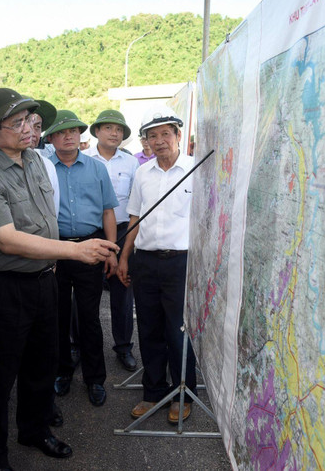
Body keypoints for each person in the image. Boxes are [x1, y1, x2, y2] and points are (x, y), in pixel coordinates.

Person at [0, 88, 118, 469]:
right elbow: (6, 240)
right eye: (18, 123)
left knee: (41, 364)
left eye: (31, 120)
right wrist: (74, 251)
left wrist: (57, 260)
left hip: (44, 279)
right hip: (1, 287)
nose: (30, 129)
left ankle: (34, 429)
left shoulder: (34, 160)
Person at [117, 105, 196, 424]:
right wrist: (124, 257)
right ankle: (153, 392)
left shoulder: (195, 169)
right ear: (146, 141)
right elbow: (134, 217)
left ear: (178, 135)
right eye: (152, 136)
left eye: (165, 133)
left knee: (178, 331)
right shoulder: (142, 173)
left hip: (181, 263)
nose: (159, 140)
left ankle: (182, 394)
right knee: (148, 328)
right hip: (146, 261)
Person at [44, 111, 118, 407]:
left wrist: (111, 251)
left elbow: (108, 211)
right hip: (56, 250)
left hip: (92, 247)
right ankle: (62, 372)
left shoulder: (97, 168)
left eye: (74, 131)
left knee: (90, 317)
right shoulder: (43, 168)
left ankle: (95, 378)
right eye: (62, 132)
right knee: (57, 316)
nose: (69, 136)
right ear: (51, 138)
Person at [84, 110, 139, 371]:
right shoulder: (83, 159)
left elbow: (137, 203)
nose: (114, 133)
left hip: (123, 231)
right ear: (96, 131)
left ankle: (124, 346)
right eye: (108, 128)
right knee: (86, 292)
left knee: (122, 291)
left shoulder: (131, 163)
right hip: (92, 232)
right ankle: (80, 346)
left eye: (119, 129)